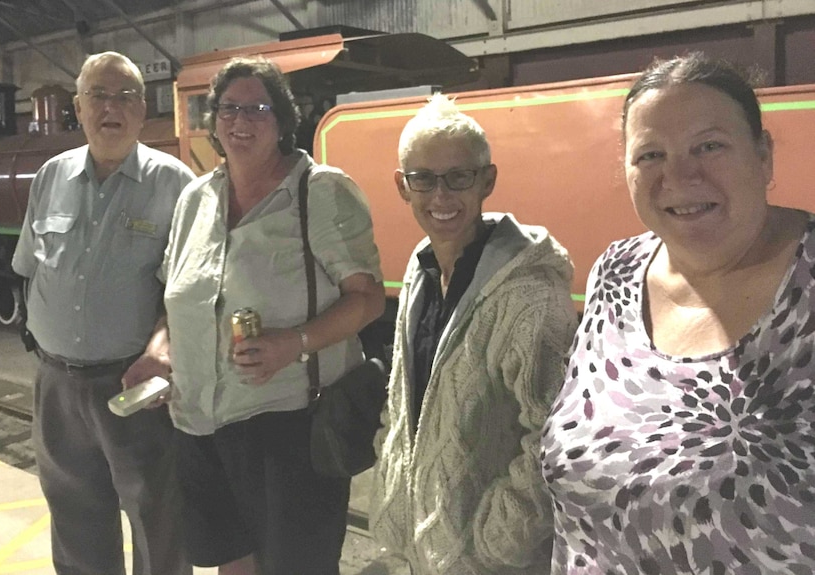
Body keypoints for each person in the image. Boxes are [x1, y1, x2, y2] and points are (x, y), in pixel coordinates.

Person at [541, 52, 815, 574]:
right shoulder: (616, 272)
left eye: (709, 146)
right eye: (650, 156)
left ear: (764, 157)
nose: (680, 175)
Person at [159, 56, 385, 575]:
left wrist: (296, 343)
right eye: (229, 109)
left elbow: (368, 298)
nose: (241, 122)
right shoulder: (195, 199)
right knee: (231, 567)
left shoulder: (319, 192)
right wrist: (158, 348)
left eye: (257, 109)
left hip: (289, 427)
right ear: (214, 121)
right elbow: (176, 296)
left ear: (283, 121)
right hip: (199, 423)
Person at [369, 93, 578, 574]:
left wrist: (496, 541)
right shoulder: (419, 270)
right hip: (419, 552)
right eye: (423, 179)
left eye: (458, 177)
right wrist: (391, 488)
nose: (440, 197)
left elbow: (555, 438)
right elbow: (404, 403)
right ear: (403, 186)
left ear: (487, 180)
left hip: (491, 562)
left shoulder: (529, 297)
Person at [11, 52, 195, 575]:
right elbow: (30, 268)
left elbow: (189, 292)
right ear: (78, 107)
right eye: (99, 95)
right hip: (55, 382)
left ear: (142, 111)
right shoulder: (51, 176)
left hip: (134, 385)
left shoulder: (175, 184)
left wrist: (163, 350)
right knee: (73, 514)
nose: (111, 109)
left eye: (125, 97)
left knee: (157, 518)